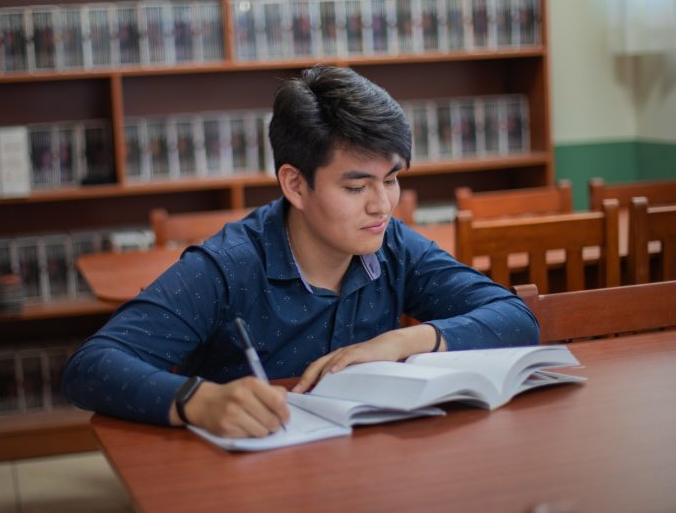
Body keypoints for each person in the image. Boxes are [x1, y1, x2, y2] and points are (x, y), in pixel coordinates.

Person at [63, 65, 539, 438]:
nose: (382, 205)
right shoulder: (228, 265)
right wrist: (197, 400)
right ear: (294, 184)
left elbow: (516, 318)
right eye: (356, 187)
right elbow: (91, 366)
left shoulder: (392, 244)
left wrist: (400, 342)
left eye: (391, 179)